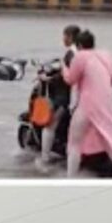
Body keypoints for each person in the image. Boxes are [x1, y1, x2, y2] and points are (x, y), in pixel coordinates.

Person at [62, 29, 112, 178]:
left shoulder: (81, 56)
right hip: (107, 105)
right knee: (111, 144)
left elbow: (71, 80)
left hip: (88, 106)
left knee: (74, 143)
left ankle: (70, 180)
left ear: (79, 45)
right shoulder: (107, 55)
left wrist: (64, 68)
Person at [36, 25, 80, 171]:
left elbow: (66, 76)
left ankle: (44, 159)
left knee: (50, 125)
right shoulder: (83, 51)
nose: (63, 39)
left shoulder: (71, 54)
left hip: (66, 97)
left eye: (64, 36)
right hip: (82, 96)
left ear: (70, 37)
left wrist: (48, 79)